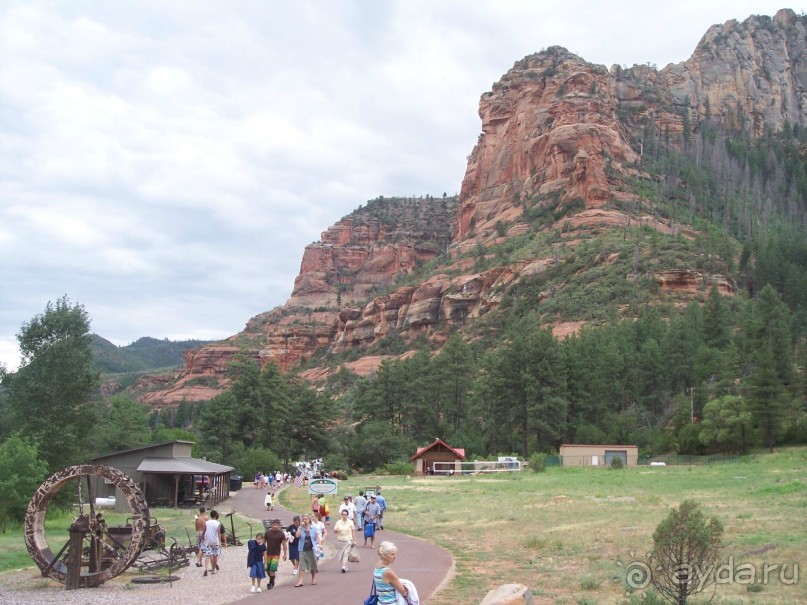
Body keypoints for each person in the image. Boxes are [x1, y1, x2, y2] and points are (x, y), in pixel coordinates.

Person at [294, 514, 321, 587]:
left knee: (312, 564)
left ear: (309, 520)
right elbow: (297, 536)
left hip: (311, 548)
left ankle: (313, 578)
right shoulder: (301, 528)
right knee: (302, 565)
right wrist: (300, 527)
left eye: (306, 519)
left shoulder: (313, 528)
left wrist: (319, 545)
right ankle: (300, 580)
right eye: (303, 519)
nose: (304, 520)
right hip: (302, 548)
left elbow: (316, 537)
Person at [263, 518, 287, 589]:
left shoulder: (281, 534)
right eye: (274, 525)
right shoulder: (268, 533)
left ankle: (271, 583)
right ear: (271, 525)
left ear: (279, 526)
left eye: (276, 525)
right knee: (267, 569)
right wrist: (261, 551)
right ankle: (272, 578)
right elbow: (263, 542)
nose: (275, 526)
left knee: (272, 568)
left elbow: (284, 544)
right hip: (268, 553)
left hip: (276, 554)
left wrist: (285, 554)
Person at [202, 509, 222, 577]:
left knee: (207, 555)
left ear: (210, 515)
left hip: (208, 541)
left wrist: (203, 537)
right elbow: (219, 533)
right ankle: (213, 570)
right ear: (216, 515)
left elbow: (204, 531)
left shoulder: (207, 523)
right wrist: (220, 542)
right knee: (215, 555)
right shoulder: (218, 523)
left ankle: (205, 568)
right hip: (215, 541)